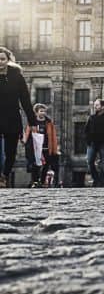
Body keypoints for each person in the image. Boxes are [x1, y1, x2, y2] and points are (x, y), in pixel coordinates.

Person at [0, 46, 35, 188]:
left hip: (12, 117)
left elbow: (25, 99)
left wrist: (32, 121)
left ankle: (4, 176)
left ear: (8, 60)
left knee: (11, 151)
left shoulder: (17, 76)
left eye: (2, 59)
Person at [23, 104, 60, 187]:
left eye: (44, 111)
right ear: (36, 112)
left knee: (46, 165)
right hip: (36, 147)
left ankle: (43, 181)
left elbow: (53, 136)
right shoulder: (32, 122)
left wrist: (54, 149)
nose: (43, 113)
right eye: (41, 111)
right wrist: (25, 143)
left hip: (47, 146)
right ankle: (35, 181)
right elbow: (28, 133)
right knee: (35, 165)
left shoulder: (49, 122)